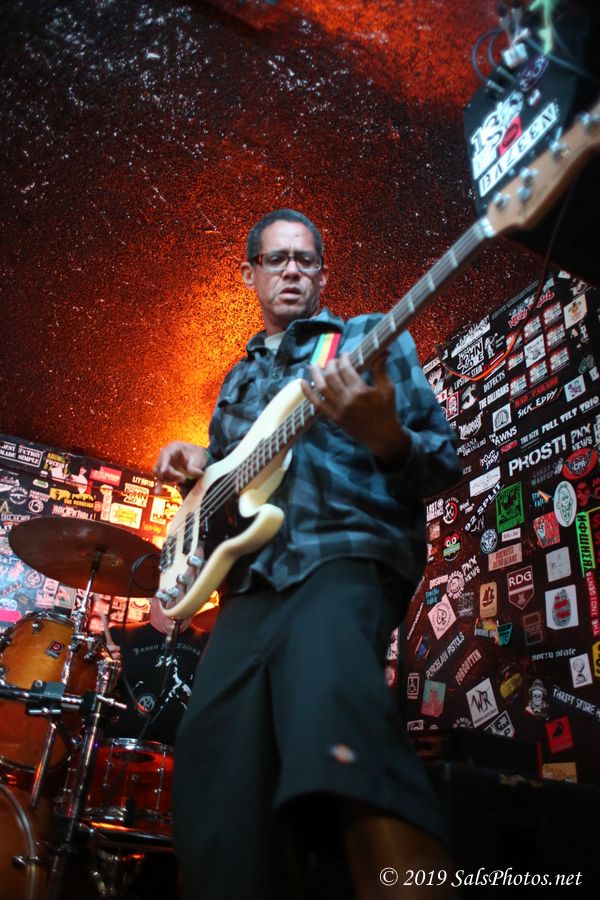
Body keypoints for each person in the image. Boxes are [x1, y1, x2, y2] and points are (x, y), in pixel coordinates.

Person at [153, 209, 463, 899]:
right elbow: (229, 485)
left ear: (322, 274)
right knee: (212, 776)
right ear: (250, 274)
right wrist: (197, 464)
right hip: (249, 585)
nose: (292, 270)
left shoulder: (367, 340)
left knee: (334, 727)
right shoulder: (235, 383)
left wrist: (386, 436)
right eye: (277, 259)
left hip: (341, 554)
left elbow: (442, 462)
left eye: (306, 260)